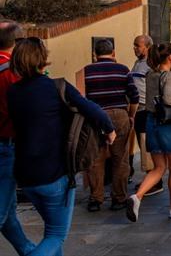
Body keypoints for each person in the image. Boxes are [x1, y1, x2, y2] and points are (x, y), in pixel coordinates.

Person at [8, 37, 116, 255]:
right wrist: (110, 130)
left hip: (25, 176)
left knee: (51, 233)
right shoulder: (57, 86)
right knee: (56, 234)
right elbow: (92, 109)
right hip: (54, 173)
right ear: (42, 58)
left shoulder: (12, 92)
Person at [127, 42, 171, 223]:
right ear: (170, 57)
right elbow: (170, 99)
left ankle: (137, 196)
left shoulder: (150, 74)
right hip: (167, 125)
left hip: (151, 121)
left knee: (159, 167)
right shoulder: (169, 76)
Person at [84, 38, 139, 212]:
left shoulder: (86, 71)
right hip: (119, 114)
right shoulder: (123, 70)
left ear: (95, 54)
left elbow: (81, 97)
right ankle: (119, 198)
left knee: (95, 158)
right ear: (113, 53)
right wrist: (130, 115)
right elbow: (134, 96)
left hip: (95, 116)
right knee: (120, 158)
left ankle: (96, 199)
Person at [0, 21, 35, 256]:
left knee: (9, 211)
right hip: (7, 144)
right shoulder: (11, 72)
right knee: (2, 211)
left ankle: (30, 251)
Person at [129, 34, 164, 196]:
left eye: (138, 45)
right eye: (135, 45)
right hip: (137, 109)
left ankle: (155, 183)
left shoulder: (151, 65)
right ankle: (149, 179)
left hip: (145, 109)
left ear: (147, 47)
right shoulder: (138, 63)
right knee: (143, 145)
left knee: (146, 146)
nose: (135, 48)